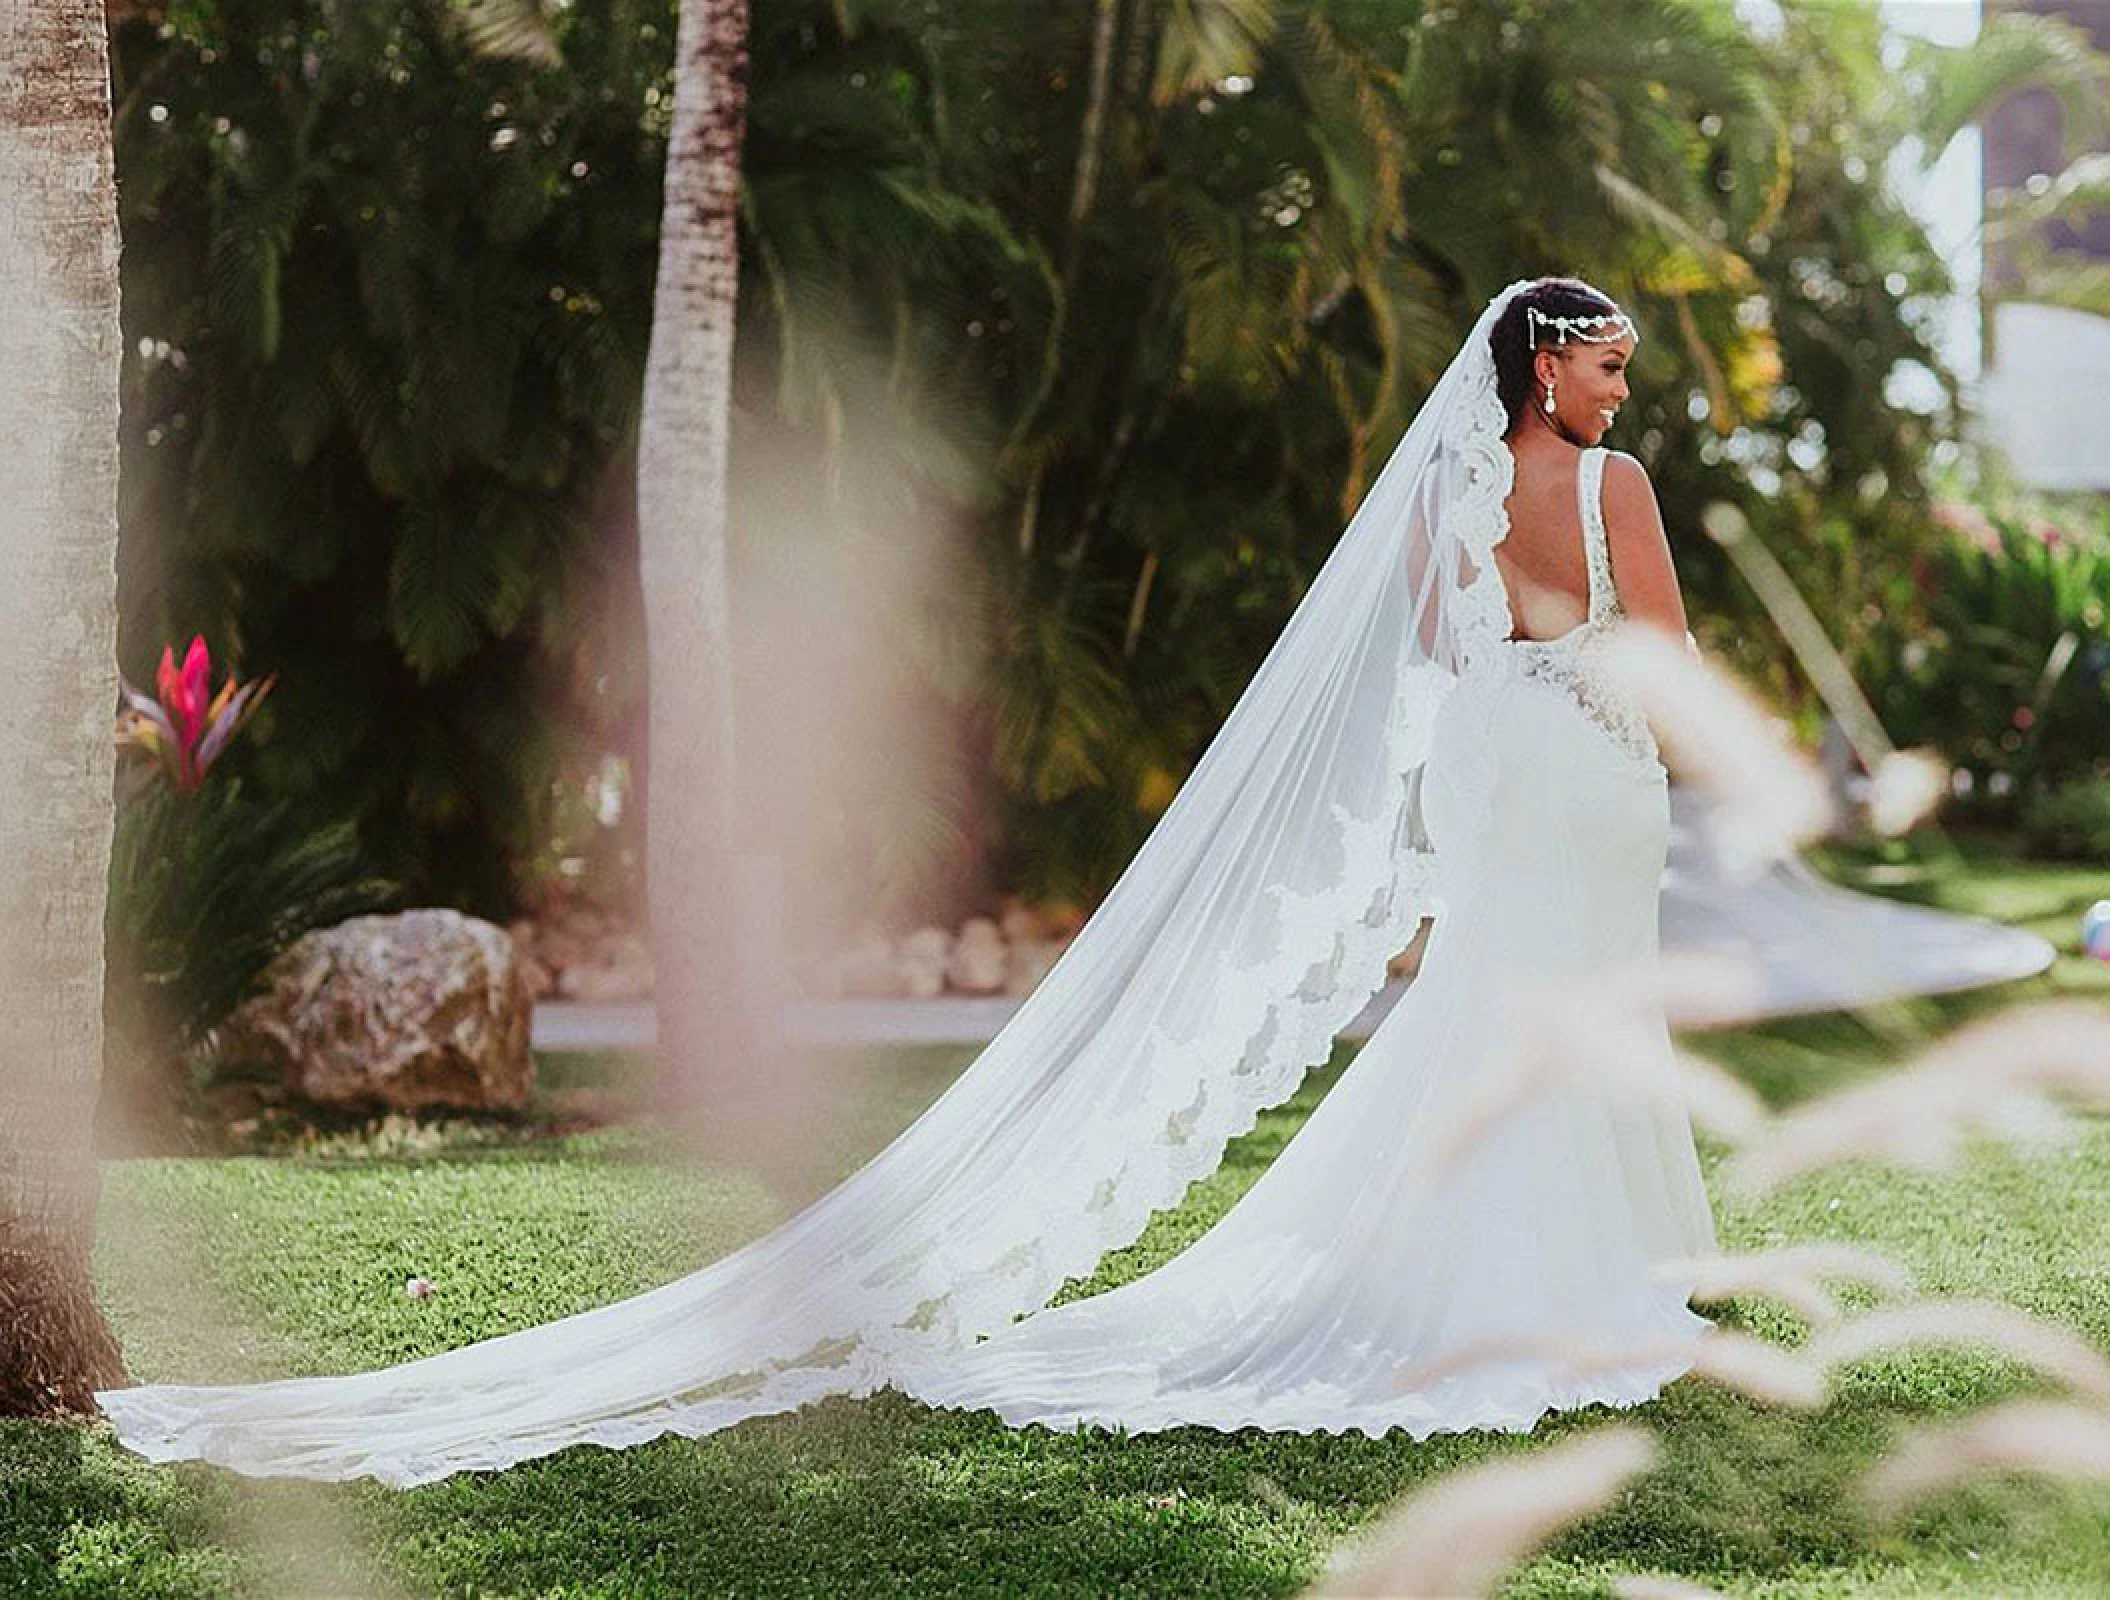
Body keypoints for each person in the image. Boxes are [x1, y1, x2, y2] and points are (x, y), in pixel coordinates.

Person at [97, 277, 1717, 1485]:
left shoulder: (1447, 489)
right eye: (1605, 363)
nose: (1619, 393)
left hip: (1502, 755)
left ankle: (1529, 1258)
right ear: (1538, 362)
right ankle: (1593, 1268)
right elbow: (1661, 649)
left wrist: (1532, 666)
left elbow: (1442, 653)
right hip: (1583, 765)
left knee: (1501, 1003)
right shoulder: (1607, 492)